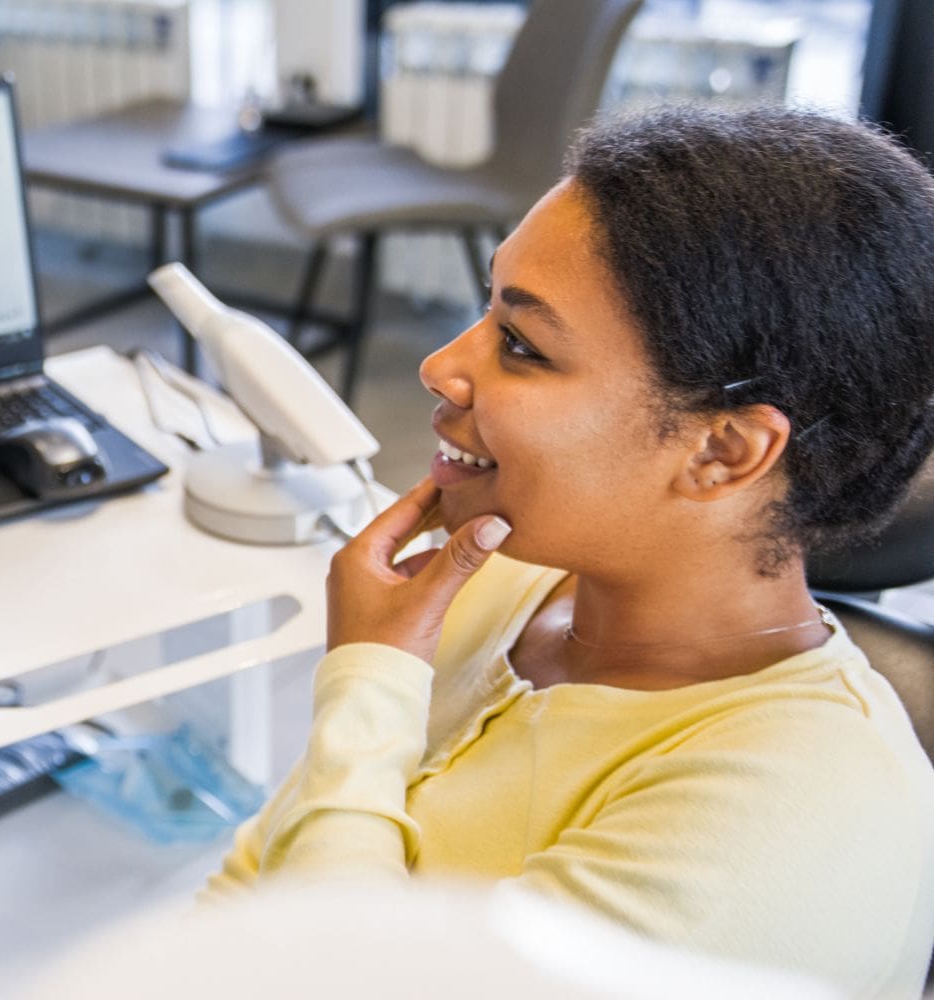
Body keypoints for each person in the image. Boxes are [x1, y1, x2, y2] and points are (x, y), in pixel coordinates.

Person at [206, 106, 934, 998]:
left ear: (722, 451)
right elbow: (254, 884)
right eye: (487, 307)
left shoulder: (795, 818)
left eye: (521, 344)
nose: (441, 366)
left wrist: (369, 685)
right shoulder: (505, 573)